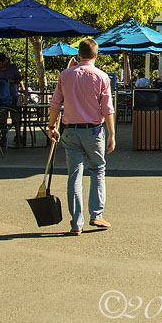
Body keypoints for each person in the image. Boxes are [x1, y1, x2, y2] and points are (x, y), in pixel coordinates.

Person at [48, 38, 115, 236]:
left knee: (74, 176)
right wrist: (111, 133)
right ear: (96, 55)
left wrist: (52, 126)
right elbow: (107, 108)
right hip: (93, 130)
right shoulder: (102, 76)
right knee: (97, 169)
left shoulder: (65, 75)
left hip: (70, 130)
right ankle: (96, 214)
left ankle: (76, 223)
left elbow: (55, 104)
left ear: (78, 55)